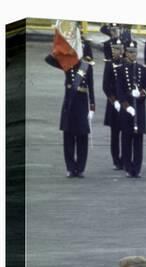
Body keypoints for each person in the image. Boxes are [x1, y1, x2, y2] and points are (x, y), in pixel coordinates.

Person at [45, 21, 95, 178]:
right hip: (69, 98)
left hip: (81, 98)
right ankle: (70, 167)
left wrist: (92, 105)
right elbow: (49, 59)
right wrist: (61, 49)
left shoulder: (86, 48)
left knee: (81, 135)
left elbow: (91, 80)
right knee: (68, 135)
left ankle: (80, 168)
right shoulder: (67, 54)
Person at [116, 41, 146, 178]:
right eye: (130, 52)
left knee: (138, 140)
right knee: (126, 139)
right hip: (128, 108)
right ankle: (128, 167)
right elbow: (119, 90)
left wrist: (141, 94)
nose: (133, 54)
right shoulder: (120, 69)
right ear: (126, 53)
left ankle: (136, 168)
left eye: (134, 52)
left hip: (139, 107)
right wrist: (126, 105)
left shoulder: (142, 69)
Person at [103, 40, 124, 170]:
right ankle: (116, 160)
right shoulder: (109, 65)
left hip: (124, 103)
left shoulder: (126, 64)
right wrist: (114, 100)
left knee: (126, 133)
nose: (115, 51)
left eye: (118, 49)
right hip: (113, 103)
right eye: (114, 49)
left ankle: (124, 158)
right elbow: (106, 86)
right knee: (115, 134)